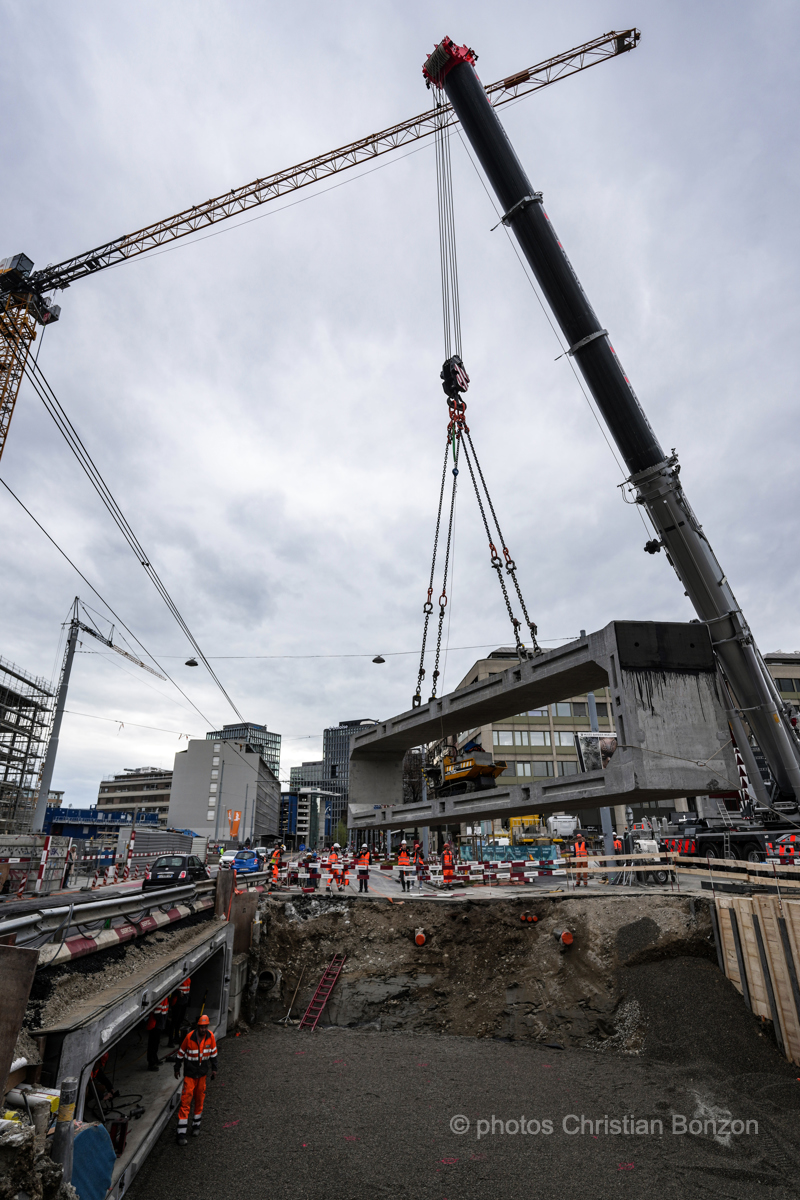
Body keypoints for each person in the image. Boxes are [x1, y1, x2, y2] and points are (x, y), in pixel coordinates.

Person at [174, 1014, 217, 1145]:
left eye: (205, 1027)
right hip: (190, 1075)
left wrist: (214, 1069)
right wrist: (177, 1067)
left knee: (199, 1100)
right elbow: (180, 1053)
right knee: (186, 1101)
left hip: (202, 1075)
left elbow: (213, 1054)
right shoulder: (189, 1037)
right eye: (201, 1027)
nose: (203, 1029)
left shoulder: (210, 1037)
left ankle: (196, 1126)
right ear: (198, 1026)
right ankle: (181, 1134)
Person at [146, 995, 170, 1070]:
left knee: (155, 1043)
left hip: (157, 1024)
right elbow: (157, 1013)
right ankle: (151, 1063)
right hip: (155, 1025)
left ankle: (154, 1059)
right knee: (153, 1044)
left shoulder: (164, 997)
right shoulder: (161, 997)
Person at [168, 976, 192, 1047]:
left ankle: (176, 1037)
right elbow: (171, 987)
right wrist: (178, 993)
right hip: (177, 1002)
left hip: (184, 1002)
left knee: (180, 1020)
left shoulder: (187, 977)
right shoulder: (179, 977)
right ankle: (170, 1040)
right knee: (174, 1021)